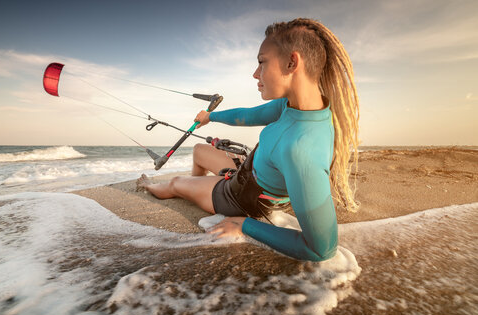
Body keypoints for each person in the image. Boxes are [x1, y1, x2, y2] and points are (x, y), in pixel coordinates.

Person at [137, 18, 359, 262]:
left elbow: (321, 249)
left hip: (236, 199)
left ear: (292, 62)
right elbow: (250, 115)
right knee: (200, 150)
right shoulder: (295, 105)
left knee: (175, 182)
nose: (256, 73)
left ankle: (155, 186)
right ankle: (198, 189)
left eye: (262, 62)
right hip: (247, 173)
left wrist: (244, 225)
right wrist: (210, 117)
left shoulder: (301, 149)